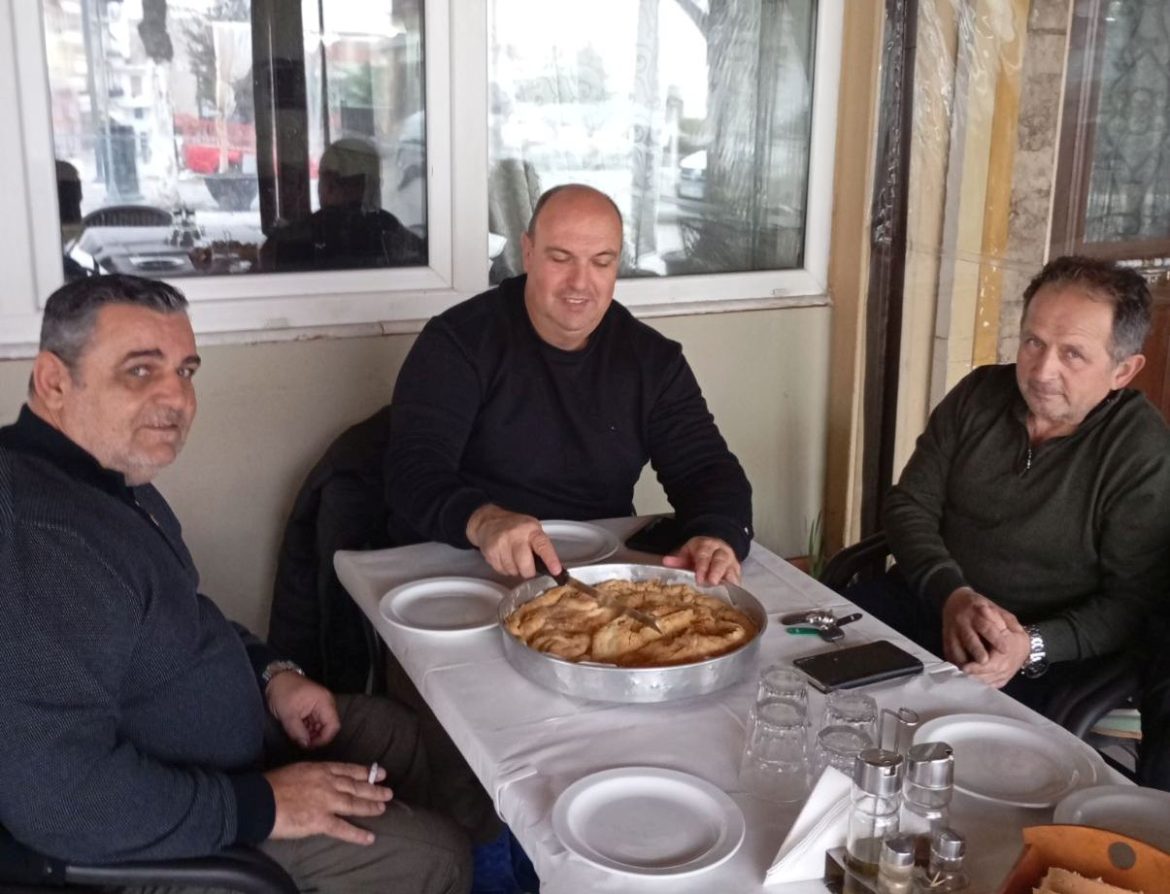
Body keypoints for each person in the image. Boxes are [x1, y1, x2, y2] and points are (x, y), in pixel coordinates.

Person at [0, 275, 471, 893]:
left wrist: (274, 675)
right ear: (54, 381)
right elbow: (61, 801)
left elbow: (182, 618)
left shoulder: (108, 480)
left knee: (396, 735)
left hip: (218, 756)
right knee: (437, 856)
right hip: (149, 839)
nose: (177, 397)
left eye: (185, 371)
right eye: (140, 371)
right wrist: (265, 804)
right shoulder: (39, 540)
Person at [385, 183, 753, 586]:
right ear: (527, 252)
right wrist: (484, 521)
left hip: (598, 575)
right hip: (464, 567)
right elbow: (413, 468)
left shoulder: (651, 360)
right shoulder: (458, 343)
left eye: (601, 262)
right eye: (561, 259)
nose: (580, 283)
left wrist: (717, 534)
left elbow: (705, 468)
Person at [847, 256, 1170, 712]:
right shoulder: (978, 395)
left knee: (940, 742)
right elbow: (909, 505)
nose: (1041, 372)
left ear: (1123, 371)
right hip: (929, 599)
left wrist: (1030, 645)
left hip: (1042, 652)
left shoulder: (1141, 452)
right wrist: (952, 594)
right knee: (795, 677)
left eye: (1072, 354)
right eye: (1033, 342)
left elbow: (1131, 603)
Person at [261, 138, 426, 272]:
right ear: (370, 185)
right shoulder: (388, 227)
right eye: (376, 183)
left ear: (329, 185)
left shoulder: (292, 238)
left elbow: (266, 264)